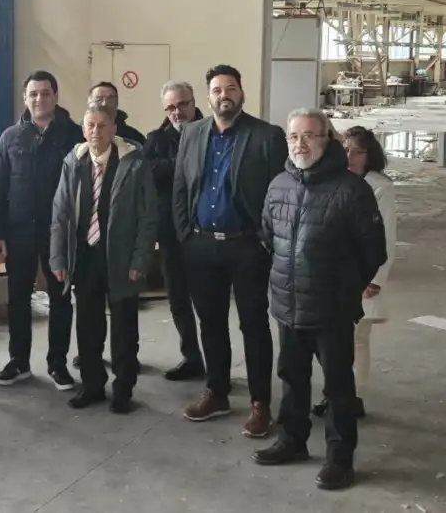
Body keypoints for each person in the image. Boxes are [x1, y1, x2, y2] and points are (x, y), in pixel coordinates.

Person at [254, 108, 387, 491]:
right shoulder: (278, 184)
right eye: (294, 136)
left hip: (332, 310)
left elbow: (373, 251)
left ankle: (339, 459)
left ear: (327, 140)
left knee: (338, 387)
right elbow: (268, 237)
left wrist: (344, 287)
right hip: (287, 303)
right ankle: (292, 440)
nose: (301, 143)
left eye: (310, 135)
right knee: (291, 377)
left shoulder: (352, 190)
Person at [172, 65, 288, 437]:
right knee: (210, 323)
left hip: (247, 246)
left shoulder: (266, 136)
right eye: (217, 89)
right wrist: (185, 234)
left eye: (231, 88)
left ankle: (260, 403)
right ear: (208, 98)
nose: (224, 95)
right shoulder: (192, 133)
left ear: (241, 93)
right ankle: (217, 392)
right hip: (202, 244)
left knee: (253, 324)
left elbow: (279, 193)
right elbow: (180, 187)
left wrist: (266, 240)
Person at [50, 105, 157, 413]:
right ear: (84, 130)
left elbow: (148, 216)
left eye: (102, 125)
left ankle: (123, 389)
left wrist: (140, 260)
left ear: (113, 130)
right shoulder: (74, 162)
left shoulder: (134, 163)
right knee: (88, 325)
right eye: (91, 125)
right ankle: (93, 385)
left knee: (124, 327)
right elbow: (60, 212)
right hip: (85, 256)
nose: (96, 131)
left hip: (121, 259)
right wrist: (58, 258)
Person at [0, 70, 83, 389]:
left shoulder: (74, 136)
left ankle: (58, 364)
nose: (39, 99)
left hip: (60, 233)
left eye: (45, 93)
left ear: (55, 96)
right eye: (33, 94)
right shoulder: (10, 138)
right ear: (25, 98)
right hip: (19, 233)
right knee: (18, 298)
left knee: (60, 298)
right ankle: (19, 362)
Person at [313, 126, 397, 419]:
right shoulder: (332, 179)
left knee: (357, 340)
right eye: (346, 149)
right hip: (331, 275)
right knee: (330, 342)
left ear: (368, 156)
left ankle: (353, 397)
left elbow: (387, 237)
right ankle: (333, 392)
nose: (350, 156)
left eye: (357, 152)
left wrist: (375, 280)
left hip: (362, 276)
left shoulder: (379, 187)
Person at [144, 80, 205, 381]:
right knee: (178, 299)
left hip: (207, 233)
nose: (177, 112)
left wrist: (171, 166)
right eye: (170, 107)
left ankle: (217, 362)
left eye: (182, 105)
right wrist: (184, 162)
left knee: (209, 301)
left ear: (193, 103)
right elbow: (148, 171)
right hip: (171, 233)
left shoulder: (212, 132)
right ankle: (191, 357)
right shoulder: (155, 139)